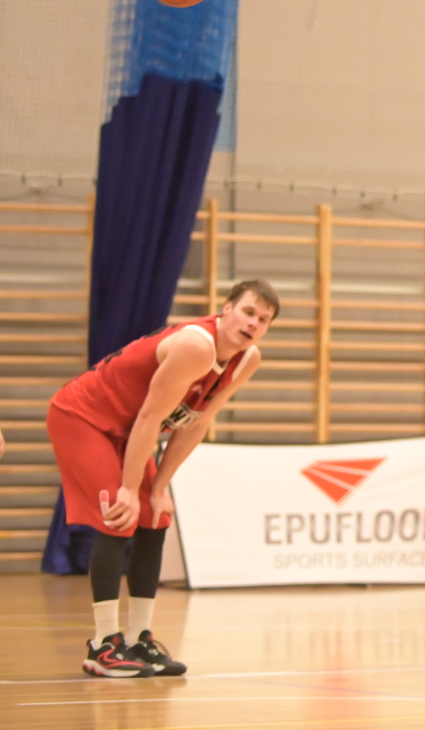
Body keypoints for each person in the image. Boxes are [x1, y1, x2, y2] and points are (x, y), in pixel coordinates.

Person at [46, 279, 277, 678]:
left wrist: (158, 487)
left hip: (128, 430)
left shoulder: (247, 359)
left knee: (157, 516)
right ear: (226, 309)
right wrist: (128, 489)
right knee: (119, 515)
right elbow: (150, 418)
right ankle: (103, 646)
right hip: (83, 418)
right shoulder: (196, 346)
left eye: (264, 319)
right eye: (248, 312)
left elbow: (198, 422)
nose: (254, 323)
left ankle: (139, 638)